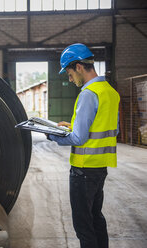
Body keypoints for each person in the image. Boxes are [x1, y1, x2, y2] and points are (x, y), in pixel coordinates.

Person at [47, 43, 120, 248]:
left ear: (79, 67)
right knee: (96, 218)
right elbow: (111, 130)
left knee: (83, 225)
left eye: (70, 74)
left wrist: (53, 136)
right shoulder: (110, 92)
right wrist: (73, 126)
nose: (70, 80)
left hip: (83, 169)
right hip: (100, 168)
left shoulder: (88, 93)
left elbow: (79, 139)